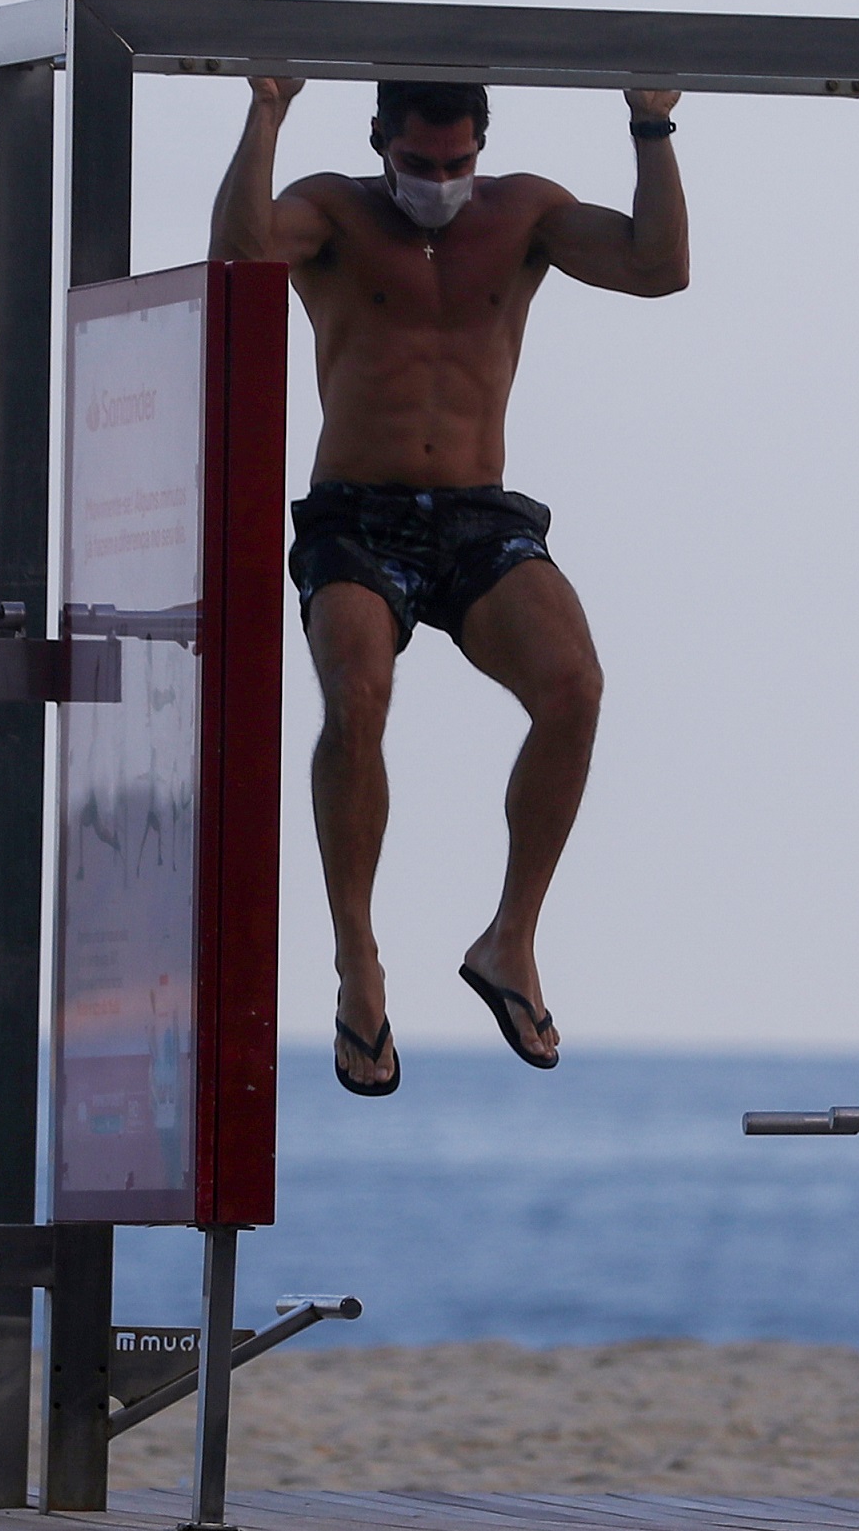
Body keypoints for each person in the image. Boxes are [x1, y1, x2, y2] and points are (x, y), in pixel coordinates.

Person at [210, 75, 689, 1095]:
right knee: (358, 697)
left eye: (456, 163)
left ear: (482, 145)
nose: (439, 182)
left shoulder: (523, 213)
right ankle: (358, 962)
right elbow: (242, 254)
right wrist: (263, 113)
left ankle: (509, 939)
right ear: (381, 140)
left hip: (475, 511)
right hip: (356, 512)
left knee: (575, 690)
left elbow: (658, 269)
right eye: (420, 164)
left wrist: (650, 125)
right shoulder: (335, 210)